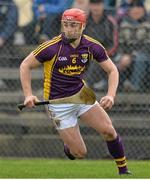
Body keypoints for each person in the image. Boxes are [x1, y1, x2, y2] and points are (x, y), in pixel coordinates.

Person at [20, 8, 131, 175]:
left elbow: (112, 70)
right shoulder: (52, 47)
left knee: (109, 130)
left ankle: (123, 171)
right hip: (57, 103)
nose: (69, 29)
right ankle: (69, 145)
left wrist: (110, 95)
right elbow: (25, 65)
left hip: (81, 94)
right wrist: (28, 94)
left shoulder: (92, 46)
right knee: (80, 153)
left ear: (83, 26)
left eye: (73, 25)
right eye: (66, 25)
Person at [84, 0, 118, 91]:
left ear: (103, 5)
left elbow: (114, 44)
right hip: (86, 53)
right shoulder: (84, 21)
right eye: (93, 4)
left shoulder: (110, 21)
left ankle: (86, 85)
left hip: (107, 53)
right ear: (89, 6)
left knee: (97, 59)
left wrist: (103, 53)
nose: (96, 7)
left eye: (98, 4)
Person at [117, 2, 150, 91]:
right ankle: (114, 85)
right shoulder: (124, 23)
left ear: (143, 10)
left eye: (138, 8)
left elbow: (148, 44)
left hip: (144, 53)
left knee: (140, 58)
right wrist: (124, 54)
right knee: (116, 58)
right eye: (133, 8)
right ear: (129, 11)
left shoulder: (148, 23)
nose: (136, 10)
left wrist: (132, 55)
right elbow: (121, 42)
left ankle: (134, 86)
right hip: (126, 53)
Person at [0, 0, 18, 89]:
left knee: (5, 53)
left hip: (6, 39)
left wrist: (2, 38)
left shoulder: (11, 5)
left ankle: (5, 81)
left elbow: (11, 24)